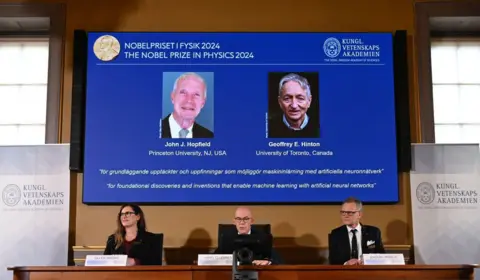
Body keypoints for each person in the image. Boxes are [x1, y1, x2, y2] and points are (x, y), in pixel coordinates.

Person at [214, 207, 283, 265]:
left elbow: (278, 261)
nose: (242, 222)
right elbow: (213, 259)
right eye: (238, 219)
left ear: (252, 221)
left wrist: (268, 262)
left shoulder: (262, 237)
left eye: (246, 219)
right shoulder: (226, 238)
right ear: (234, 222)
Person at [328, 197, 385, 265]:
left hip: (368, 272)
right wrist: (347, 263)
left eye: (349, 212)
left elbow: (382, 256)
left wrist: (367, 261)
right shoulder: (336, 234)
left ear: (359, 214)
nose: (345, 215)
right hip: (345, 272)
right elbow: (333, 260)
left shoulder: (373, 232)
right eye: (343, 212)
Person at [161, 72, 213, 138]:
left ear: (203, 103)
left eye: (196, 94)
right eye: (183, 93)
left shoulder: (209, 136)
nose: (189, 100)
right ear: (172, 97)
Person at [268, 73, 319, 138]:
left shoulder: (320, 128)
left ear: (309, 101)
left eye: (300, 98)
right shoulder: (268, 128)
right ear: (280, 102)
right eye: (287, 98)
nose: (294, 105)